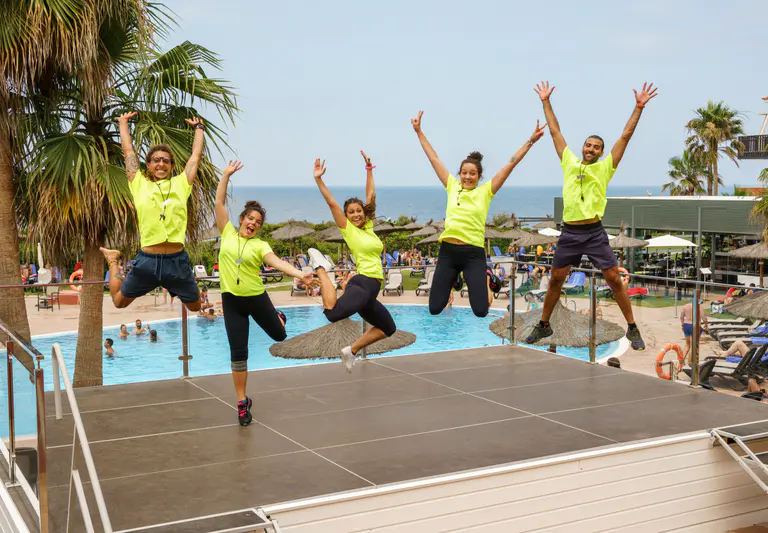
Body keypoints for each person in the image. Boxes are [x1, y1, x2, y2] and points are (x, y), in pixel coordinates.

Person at [525, 81, 658, 350]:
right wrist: (545, 101)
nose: (591, 149)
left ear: (600, 152)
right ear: (582, 147)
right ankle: (544, 324)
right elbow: (554, 131)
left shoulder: (606, 167)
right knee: (555, 279)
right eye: (588, 145)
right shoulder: (569, 162)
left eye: (596, 147)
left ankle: (632, 327)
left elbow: (625, 136)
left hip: (594, 232)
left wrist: (638, 107)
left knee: (613, 279)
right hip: (570, 233)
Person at [411, 110, 546, 317]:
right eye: (464, 172)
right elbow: (433, 157)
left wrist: (531, 141)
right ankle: (455, 278)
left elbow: (510, 163)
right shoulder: (452, 186)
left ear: (479, 176)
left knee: (481, 311)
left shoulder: (486, 192)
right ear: (459, 174)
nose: (467, 176)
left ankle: (484, 276)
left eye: (472, 173)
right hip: (448, 252)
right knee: (435, 308)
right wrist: (419, 131)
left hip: (473, 254)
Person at [215, 160, 316, 426]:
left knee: (280, 335)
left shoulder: (260, 244)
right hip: (232, 301)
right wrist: (225, 175)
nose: (253, 224)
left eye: (257, 222)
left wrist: (299, 274)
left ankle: (278, 316)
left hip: (256, 298)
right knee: (238, 353)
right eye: (250, 219)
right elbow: (219, 203)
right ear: (242, 219)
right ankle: (241, 402)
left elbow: (276, 262)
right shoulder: (227, 233)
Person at [100, 111, 205, 312]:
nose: (161, 164)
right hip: (147, 260)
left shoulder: (181, 184)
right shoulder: (139, 183)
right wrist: (123, 123)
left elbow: (195, 156)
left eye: (166, 160)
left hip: (176, 261)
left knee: (195, 307)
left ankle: (174, 286)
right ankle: (113, 259)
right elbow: (128, 151)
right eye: (156, 160)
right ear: (148, 165)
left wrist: (198, 129)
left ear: (172, 166)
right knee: (119, 301)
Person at [308, 151, 397, 372]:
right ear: (346, 216)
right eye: (351, 212)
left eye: (358, 211)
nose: (356, 214)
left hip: (371, 292)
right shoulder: (348, 230)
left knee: (388, 328)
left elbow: (371, 197)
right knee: (332, 314)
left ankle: (351, 350)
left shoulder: (368, 226)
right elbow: (332, 204)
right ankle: (321, 268)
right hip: (363, 283)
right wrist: (319, 179)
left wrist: (369, 171)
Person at [680, 299, 709, 364]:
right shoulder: (698, 307)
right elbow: (703, 317)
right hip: (694, 326)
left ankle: (681, 362)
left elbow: (681, 317)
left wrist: (682, 325)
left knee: (687, 344)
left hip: (686, 325)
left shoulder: (685, 306)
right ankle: (690, 364)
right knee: (693, 346)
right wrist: (706, 325)